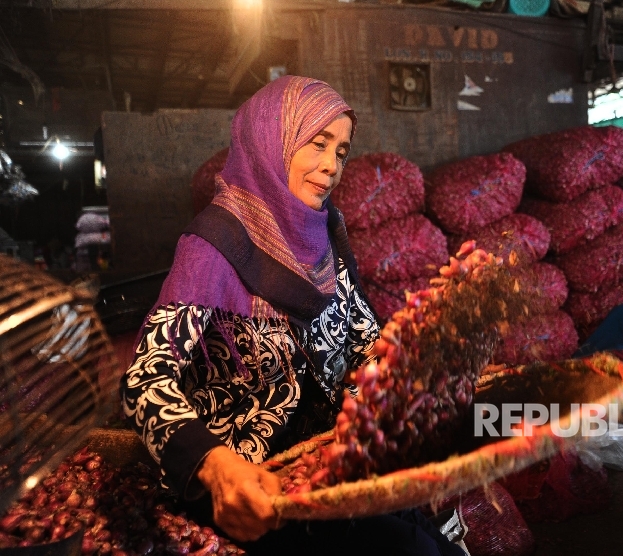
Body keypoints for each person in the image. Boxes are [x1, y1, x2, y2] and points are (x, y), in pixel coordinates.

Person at [120, 75, 464, 555]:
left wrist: (404, 370)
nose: (330, 167)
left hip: (329, 462)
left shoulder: (326, 234)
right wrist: (216, 467)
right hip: (257, 490)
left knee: (436, 539)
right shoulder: (213, 245)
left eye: (341, 153)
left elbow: (364, 338)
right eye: (318, 145)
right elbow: (144, 380)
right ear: (271, 140)